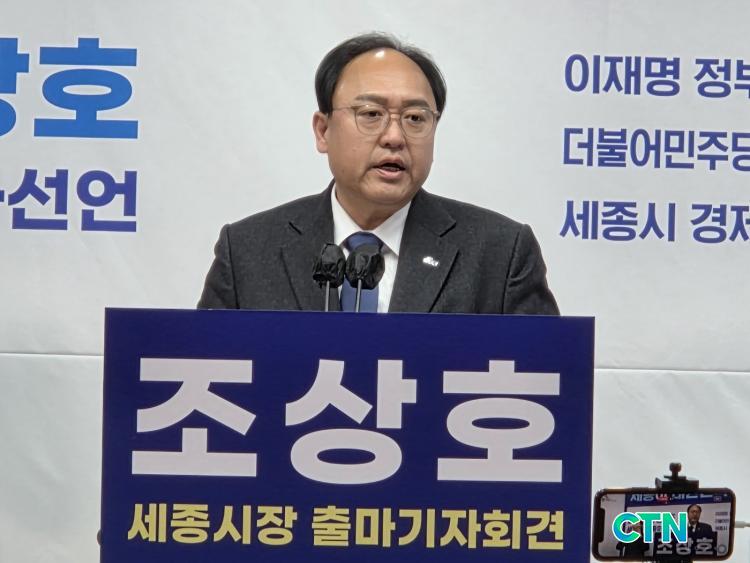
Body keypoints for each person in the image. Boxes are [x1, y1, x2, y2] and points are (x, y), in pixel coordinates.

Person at [198, 32, 558, 314]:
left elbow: (541, 379)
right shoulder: (247, 251)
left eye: (415, 118)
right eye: (371, 114)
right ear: (323, 131)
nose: (394, 137)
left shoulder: (500, 254)